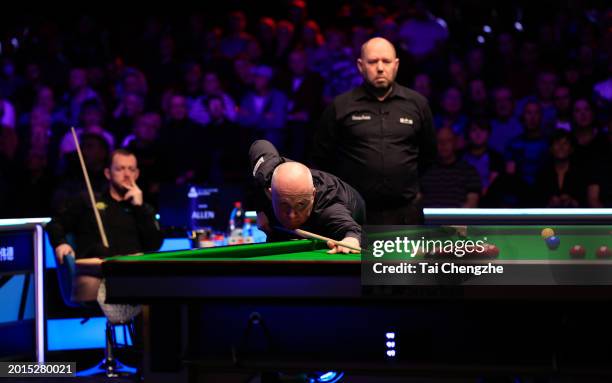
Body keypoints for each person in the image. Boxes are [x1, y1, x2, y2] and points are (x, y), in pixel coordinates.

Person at [312, 37, 436, 224]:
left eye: (386, 61)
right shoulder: (340, 106)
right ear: (361, 66)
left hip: (406, 212)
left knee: (410, 255)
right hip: (354, 213)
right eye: (372, 62)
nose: (380, 68)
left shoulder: (417, 104)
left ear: (396, 65)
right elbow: (320, 159)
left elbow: (428, 155)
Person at [46, 149, 163, 300]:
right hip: (97, 276)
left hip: (134, 275)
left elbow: (154, 245)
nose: (126, 174)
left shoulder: (143, 209)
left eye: (131, 169)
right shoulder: (89, 202)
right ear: (108, 173)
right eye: (120, 169)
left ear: (137, 174)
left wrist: (140, 208)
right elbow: (55, 224)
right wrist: (61, 243)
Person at [250, 140, 365, 254]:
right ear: (270, 193)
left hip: (352, 204)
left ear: (313, 195)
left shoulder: (328, 209)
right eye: (284, 205)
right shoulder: (265, 175)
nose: (291, 215)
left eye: (301, 205)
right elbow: (260, 145)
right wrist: (259, 209)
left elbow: (353, 230)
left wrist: (351, 240)